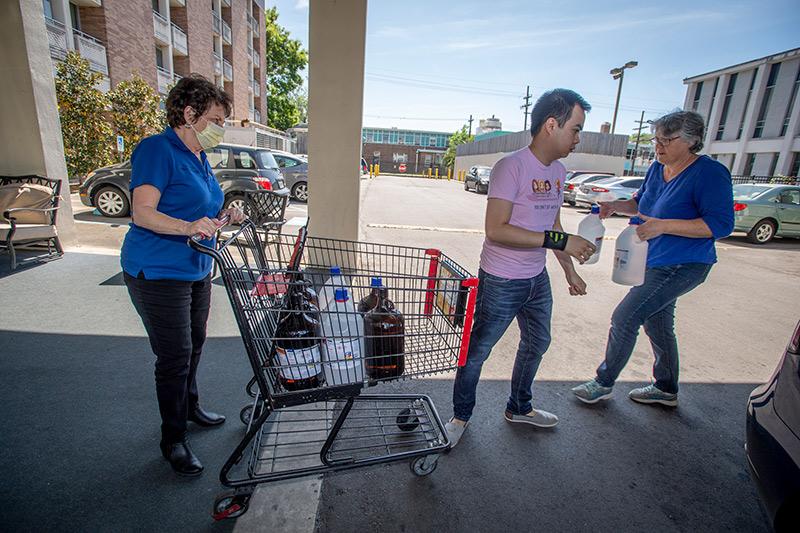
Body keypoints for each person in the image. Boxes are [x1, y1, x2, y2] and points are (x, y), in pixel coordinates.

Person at [446, 89, 597, 447]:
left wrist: (569, 270)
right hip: (500, 279)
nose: (578, 138)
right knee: (478, 351)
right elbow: (496, 229)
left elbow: (554, 226)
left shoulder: (559, 171)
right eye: (575, 129)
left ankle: (519, 407)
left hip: (536, 279)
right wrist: (561, 244)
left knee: (538, 341)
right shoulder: (510, 167)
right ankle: (460, 416)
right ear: (551, 125)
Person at [121, 75, 246, 476]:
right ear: (189, 114)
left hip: (195, 267)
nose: (219, 128)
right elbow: (142, 212)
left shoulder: (198, 157)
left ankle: (189, 407)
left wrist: (225, 215)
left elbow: (202, 209)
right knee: (174, 356)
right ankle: (173, 438)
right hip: (156, 271)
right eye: (214, 118)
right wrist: (189, 227)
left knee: (195, 343)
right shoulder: (158, 149)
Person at [571, 110, 734, 407]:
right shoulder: (658, 169)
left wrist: (663, 225)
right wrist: (616, 206)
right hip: (654, 260)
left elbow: (721, 225)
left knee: (625, 317)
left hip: (685, 264)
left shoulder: (709, 173)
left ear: (691, 141)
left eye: (666, 140)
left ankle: (604, 382)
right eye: (655, 139)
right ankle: (666, 387)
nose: (657, 146)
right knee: (658, 323)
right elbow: (640, 203)